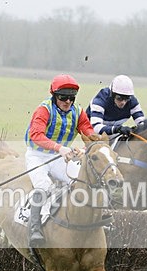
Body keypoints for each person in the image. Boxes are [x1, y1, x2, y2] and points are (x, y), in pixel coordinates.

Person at [24, 74, 96, 246]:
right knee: (43, 186)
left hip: (58, 157)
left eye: (71, 98)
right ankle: (34, 229)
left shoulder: (78, 112)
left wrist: (85, 149)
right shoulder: (44, 110)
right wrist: (60, 148)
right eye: (63, 97)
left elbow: (89, 133)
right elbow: (36, 135)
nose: (68, 102)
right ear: (54, 95)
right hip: (37, 155)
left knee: (80, 181)